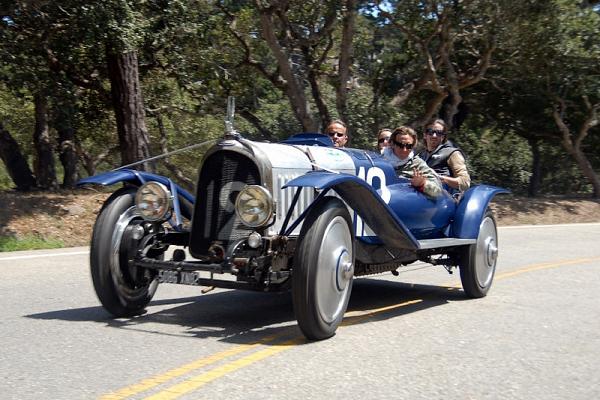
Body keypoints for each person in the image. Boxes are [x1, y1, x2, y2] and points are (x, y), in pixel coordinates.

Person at [382, 126, 442, 198]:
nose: (404, 150)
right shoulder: (380, 160)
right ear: (392, 143)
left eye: (409, 146)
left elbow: (438, 191)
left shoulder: (417, 164)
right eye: (400, 145)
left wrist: (423, 184)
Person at [418, 119, 471, 192]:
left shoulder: (452, 153)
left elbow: (465, 182)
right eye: (430, 132)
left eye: (439, 133)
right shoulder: (420, 156)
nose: (434, 136)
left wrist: (439, 178)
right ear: (425, 135)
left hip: (442, 197)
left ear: (443, 137)